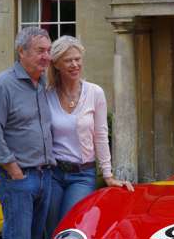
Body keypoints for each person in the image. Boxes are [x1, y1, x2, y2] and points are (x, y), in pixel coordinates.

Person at [45, 35, 134, 237]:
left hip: (82, 175)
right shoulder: (47, 94)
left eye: (78, 59)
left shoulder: (95, 93)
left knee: (70, 228)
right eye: (69, 60)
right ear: (57, 64)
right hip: (52, 173)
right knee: (49, 229)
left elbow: (101, 135)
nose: (75, 64)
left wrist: (108, 174)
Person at [0, 27, 56, 239]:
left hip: (45, 176)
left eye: (49, 51)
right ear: (21, 51)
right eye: (40, 51)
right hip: (19, 178)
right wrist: (14, 171)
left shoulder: (42, 83)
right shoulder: (2, 85)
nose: (47, 57)